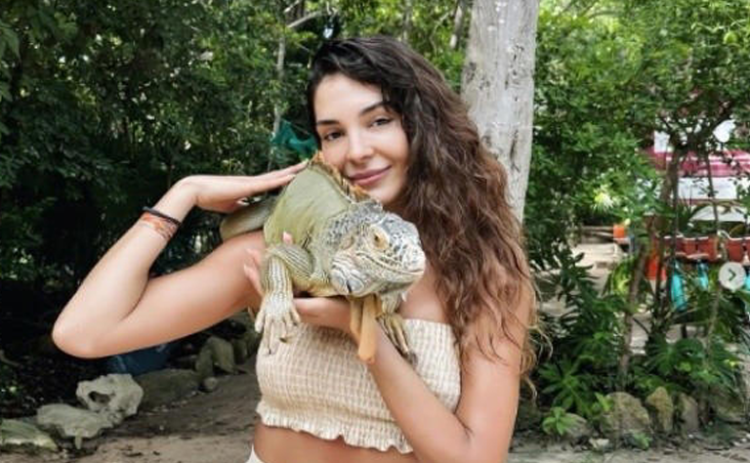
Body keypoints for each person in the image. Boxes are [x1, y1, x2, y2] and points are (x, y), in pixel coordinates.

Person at [53, 36, 536, 463]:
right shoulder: (277, 257)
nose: (357, 150)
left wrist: (362, 331)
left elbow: (475, 457)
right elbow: (83, 333)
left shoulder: (484, 275)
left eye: (379, 121)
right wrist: (183, 194)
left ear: (424, 125)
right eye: (333, 133)